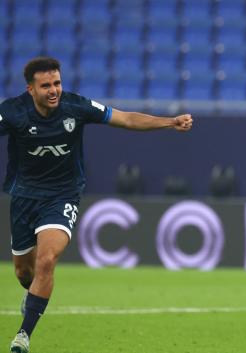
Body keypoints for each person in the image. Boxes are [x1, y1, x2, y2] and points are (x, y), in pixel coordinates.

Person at [0, 57, 193, 353]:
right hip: (24, 197)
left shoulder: (76, 107)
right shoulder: (13, 112)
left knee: (47, 260)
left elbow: (126, 119)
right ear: (30, 89)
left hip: (62, 194)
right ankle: (34, 295)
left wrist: (170, 122)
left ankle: (23, 335)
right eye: (46, 85)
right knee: (24, 274)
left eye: (57, 83)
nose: (54, 90)